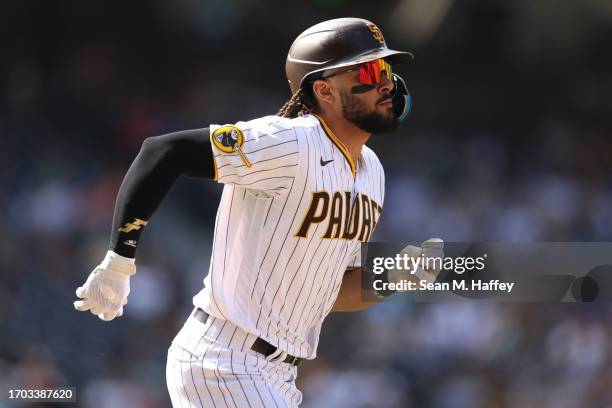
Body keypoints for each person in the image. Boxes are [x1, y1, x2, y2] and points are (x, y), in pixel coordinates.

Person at [73, 17, 443, 407]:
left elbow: (330, 290)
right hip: (225, 362)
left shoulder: (372, 172)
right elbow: (163, 152)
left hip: (275, 373)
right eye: (370, 69)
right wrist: (119, 259)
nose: (386, 83)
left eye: (386, 69)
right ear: (324, 90)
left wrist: (394, 278)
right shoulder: (293, 141)